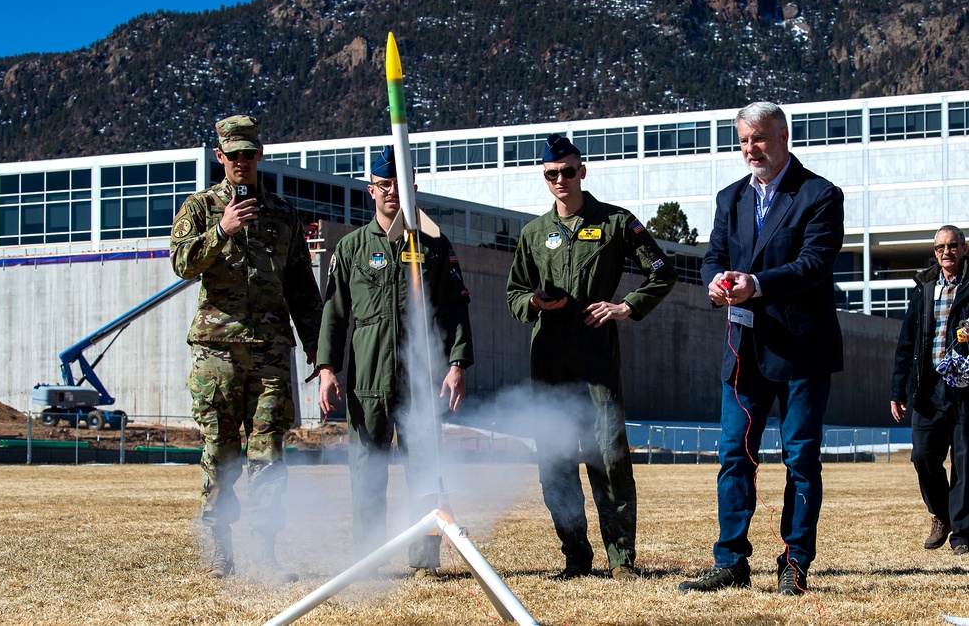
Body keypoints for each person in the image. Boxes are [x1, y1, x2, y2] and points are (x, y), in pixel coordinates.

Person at [679, 101, 845, 596]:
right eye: (744, 140)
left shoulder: (819, 195)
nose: (751, 149)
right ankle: (731, 561)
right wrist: (715, 283)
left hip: (801, 354)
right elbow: (713, 257)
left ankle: (795, 561)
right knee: (734, 456)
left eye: (760, 139)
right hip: (743, 352)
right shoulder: (730, 197)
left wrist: (756, 283)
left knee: (801, 460)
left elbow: (815, 263)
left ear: (783, 136)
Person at [505, 134, 677, 581]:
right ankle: (576, 558)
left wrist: (626, 306)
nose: (560, 180)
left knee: (609, 458)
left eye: (567, 171)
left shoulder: (617, 223)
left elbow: (661, 272)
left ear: (582, 170)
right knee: (556, 462)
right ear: (544, 179)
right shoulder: (533, 234)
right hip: (549, 364)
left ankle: (621, 561)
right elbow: (514, 294)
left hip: (597, 361)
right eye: (551, 174)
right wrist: (535, 304)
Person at [170, 114, 323, 582]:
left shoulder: (283, 214)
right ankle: (220, 552)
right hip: (217, 354)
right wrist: (223, 230)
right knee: (221, 451)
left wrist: (319, 345)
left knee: (269, 456)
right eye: (232, 154)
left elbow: (301, 285)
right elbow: (180, 262)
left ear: (260, 154)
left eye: (248, 153)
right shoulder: (199, 208)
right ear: (219, 157)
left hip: (272, 353)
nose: (240, 161)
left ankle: (267, 557)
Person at [316, 145, 474, 579]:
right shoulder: (350, 249)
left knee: (425, 471)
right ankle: (370, 560)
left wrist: (457, 362)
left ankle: (425, 563)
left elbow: (455, 306)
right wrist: (328, 370)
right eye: (384, 186)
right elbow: (333, 314)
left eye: (399, 186)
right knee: (367, 475)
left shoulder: (432, 246)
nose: (392, 193)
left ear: (412, 189)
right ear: (371, 190)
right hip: (367, 381)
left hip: (419, 379)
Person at [890, 225, 969, 555]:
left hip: (965, 389)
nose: (946, 252)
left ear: (964, 249)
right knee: (923, 456)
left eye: (952, 246)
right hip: (927, 388)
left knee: (965, 463)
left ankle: (963, 534)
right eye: (940, 248)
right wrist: (897, 389)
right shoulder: (924, 287)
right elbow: (906, 340)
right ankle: (941, 515)